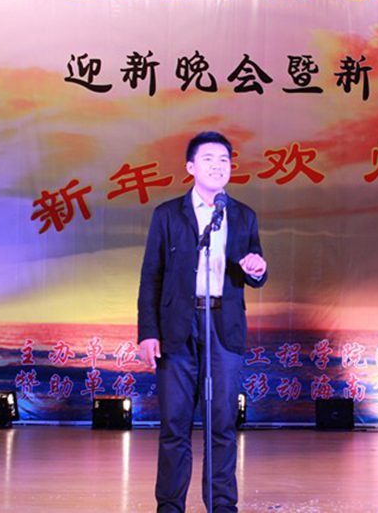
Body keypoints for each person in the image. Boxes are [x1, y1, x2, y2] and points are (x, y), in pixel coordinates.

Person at [138, 131, 268, 513]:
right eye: (208, 159)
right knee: (174, 424)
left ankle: (222, 505)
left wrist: (257, 269)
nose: (218, 166)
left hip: (223, 328)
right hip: (177, 328)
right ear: (191, 167)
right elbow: (151, 276)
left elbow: (254, 269)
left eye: (224, 160)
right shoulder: (167, 214)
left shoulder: (243, 215)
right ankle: (170, 506)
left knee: (222, 423)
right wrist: (148, 333)